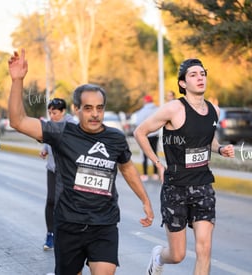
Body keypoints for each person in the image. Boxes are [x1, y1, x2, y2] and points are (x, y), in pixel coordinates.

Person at [8, 49, 154, 275]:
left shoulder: (115, 138)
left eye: (99, 108)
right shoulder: (61, 132)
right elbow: (17, 121)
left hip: (104, 224)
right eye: (88, 108)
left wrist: (145, 199)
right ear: (76, 110)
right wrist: (18, 80)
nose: (95, 114)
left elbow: (126, 167)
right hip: (69, 224)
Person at [133, 58, 235, 275]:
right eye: (193, 75)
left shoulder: (214, 110)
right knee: (177, 255)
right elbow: (140, 132)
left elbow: (208, 140)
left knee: (204, 250)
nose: (200, 78)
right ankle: (159, 256)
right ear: (182, 83)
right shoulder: (173, 109)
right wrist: (158, 164)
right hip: (175, 187)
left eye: (202, 73)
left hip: (203, 185)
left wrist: (220, 149)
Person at [40, 98, 77, 251]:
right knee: (51, 200)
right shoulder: (52, 124)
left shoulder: (72, 125)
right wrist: (45, 149)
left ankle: (70, 235)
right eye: (49, 113)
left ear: (63, 112)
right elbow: (49, 139)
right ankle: (50, 234)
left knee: (68, 201)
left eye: (54, 113)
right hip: (53, 168)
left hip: (68, 170)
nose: (52, 116)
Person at [134, 95, 159, 181]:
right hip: (155, 134)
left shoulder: (142, 111)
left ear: (145, 101)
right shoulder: (157, 109)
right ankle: (155, 173)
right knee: (154, 153)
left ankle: (145, 174)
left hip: (145, 135)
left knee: (145, 154)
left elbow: (138, 122)